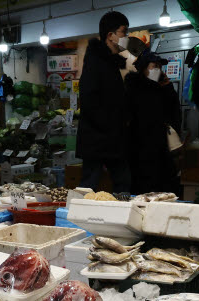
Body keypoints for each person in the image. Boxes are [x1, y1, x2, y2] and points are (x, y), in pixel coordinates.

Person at [77, 11, 131, 193]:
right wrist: (111, 125)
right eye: (124, 32)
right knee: (89, 187)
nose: (126, 36)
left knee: (122, 183)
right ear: (110, 35)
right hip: (98, 138)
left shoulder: (111, 63)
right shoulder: (96, 62)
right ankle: (79, 220)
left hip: (111, 137)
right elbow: (88, 99)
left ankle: (123, 217)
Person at [125, 49, 181, 195]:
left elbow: (173, 113)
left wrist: (168, 87)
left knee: (164, 188)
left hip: (160, 147)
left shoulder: (161, 88)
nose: (157, 69)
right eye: (153, 66)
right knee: (141, 189)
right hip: (139, 150)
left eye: (159, 66)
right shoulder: (134, 87)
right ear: (143, 68)